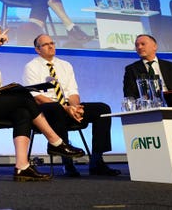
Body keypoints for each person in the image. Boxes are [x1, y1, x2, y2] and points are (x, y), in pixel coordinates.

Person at [0, 22, 85, 181]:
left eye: (2, 38)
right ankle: (56, 141)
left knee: (23, 112)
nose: (1, 41)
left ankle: (22, 166)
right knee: (25, 97)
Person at [22, 33, 121, 177]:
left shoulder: (65, 65)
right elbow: (36, 97)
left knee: (102, 109)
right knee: (56, 108)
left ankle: (97, 161)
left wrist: (75, 108)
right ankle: (67, 163)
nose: (51, 46)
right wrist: (65, 108)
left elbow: (73, 92)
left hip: (68, 107)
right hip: (47, 111)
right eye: (46, 44)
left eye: (52, 43)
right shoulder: (31, 67)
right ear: (37, 49)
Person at [123, 34, 172, 107]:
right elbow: (129, 95)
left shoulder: (170, 66)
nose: (139, 47)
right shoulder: (131, 69)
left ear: (155, 47)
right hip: (147, 106)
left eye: (143, 44)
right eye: (137, 45)